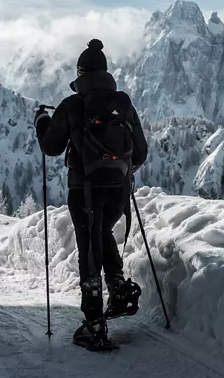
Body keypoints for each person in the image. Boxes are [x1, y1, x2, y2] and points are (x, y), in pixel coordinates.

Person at [35, 39, 148, 350]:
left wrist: (42, 122)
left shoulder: (72, 105)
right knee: (103, 232)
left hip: (83, 191)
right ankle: (117, 285)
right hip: (118, 191)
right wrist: (119, 169)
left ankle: (94, 321)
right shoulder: (123, 103)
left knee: (88, 246)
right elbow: (141, 151)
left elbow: (51, 147)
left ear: (80, 74)